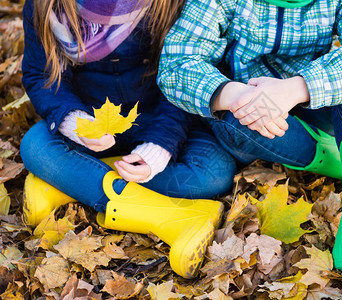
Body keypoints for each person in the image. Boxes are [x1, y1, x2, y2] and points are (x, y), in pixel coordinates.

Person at [157, 0, 342, 274]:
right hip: (244, 117)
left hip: (311, 100)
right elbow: (176, 62)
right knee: (241, 118)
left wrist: (294, 89)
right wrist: (239, 96)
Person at [20, 0, 237, 279]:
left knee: (215, 172)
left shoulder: (169, 4)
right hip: (93, 123)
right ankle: (170, 219)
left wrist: (159, 147)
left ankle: (66, 182)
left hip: (160, 118)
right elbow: (42, 75)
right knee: (35, 146)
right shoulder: (46, 5)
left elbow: (186, 73)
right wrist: (74, 120)